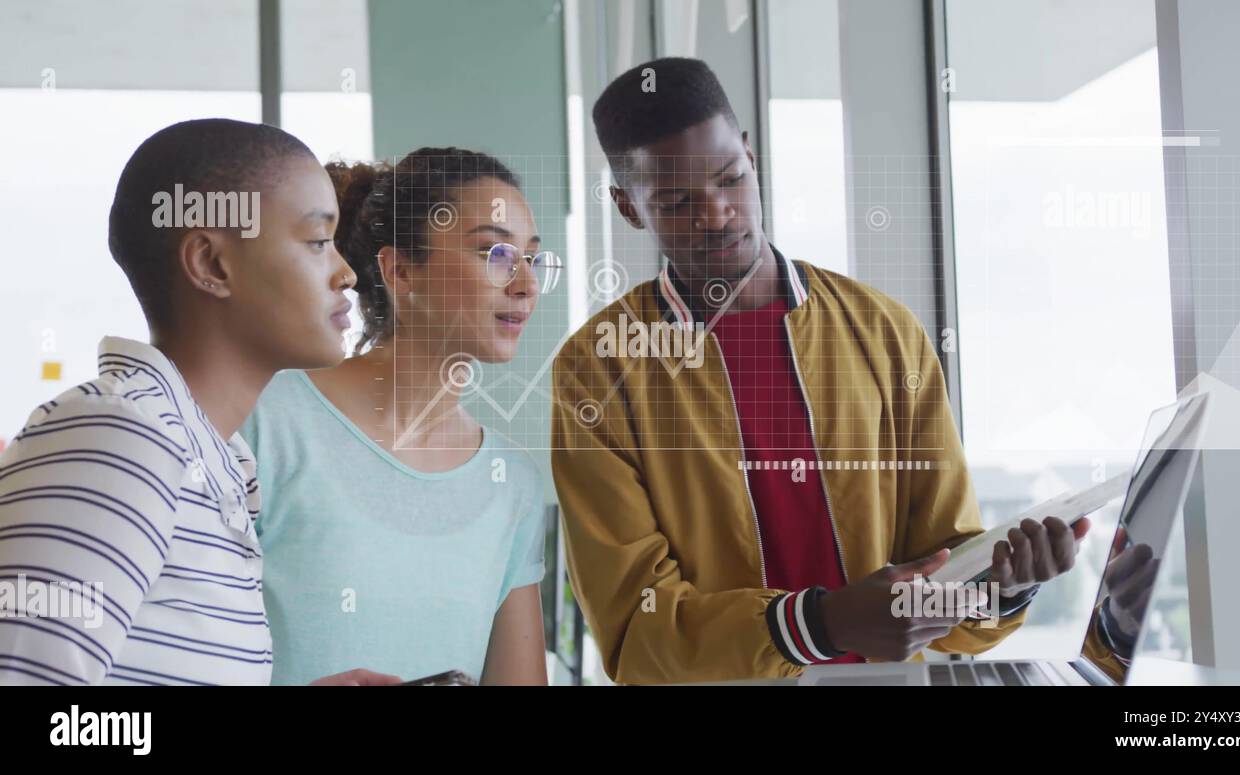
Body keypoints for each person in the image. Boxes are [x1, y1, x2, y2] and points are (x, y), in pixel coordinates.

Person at [551, 58, 1090, 684]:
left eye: (730, 179)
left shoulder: (885, 332)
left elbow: (946, 576)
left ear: (751, 156)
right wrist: (822, 625)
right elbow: (637, 637)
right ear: (627, 206)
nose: (718, 214)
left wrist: (1002, 586)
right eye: (676, 202)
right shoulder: (596, 370)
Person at [0, 118, 399, 686]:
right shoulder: (119, 436)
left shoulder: (217, 463)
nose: (346, 273)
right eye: (316, 241)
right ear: (211, 265)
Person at [240, 149, 556, 685]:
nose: (526, 284)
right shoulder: (264, 425)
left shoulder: (512, 483)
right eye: (495, 253)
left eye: (532, 258)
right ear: (400, 270)